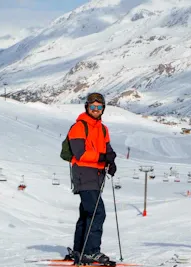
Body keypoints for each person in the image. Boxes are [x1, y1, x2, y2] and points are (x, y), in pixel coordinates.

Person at [65, 92, 118, 265]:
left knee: (88, 214)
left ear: (103, 109)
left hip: (97, 175)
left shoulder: (103, 128)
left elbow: (107, 149)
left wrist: (111, 160)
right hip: (83, 173)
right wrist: (102, 158)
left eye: (99, 107)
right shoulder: (79, 127)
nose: (96, 110)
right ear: (86, 107)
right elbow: (80, 153)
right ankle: (91, 251)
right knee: (97, 212)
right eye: (92, 107)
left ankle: (79, 250)